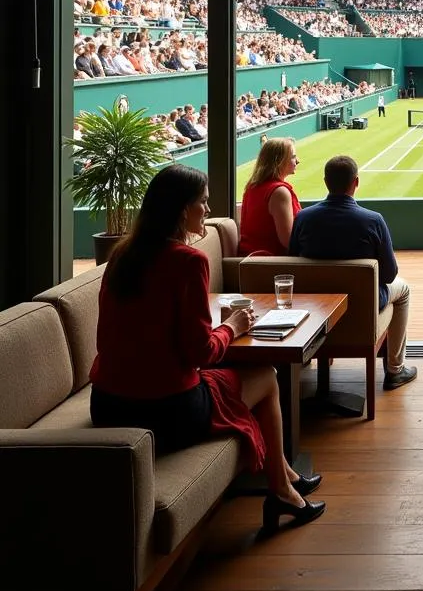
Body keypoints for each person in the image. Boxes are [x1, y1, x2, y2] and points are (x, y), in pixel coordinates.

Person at [90, 165, 325, 535]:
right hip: (164, 411)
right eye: (203, 202)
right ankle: (280, 489)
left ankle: (285, 473)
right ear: (183, 210)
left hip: (107, 405)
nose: (207, 208)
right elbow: (201, 353)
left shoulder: (121, 256)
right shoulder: (189, 261)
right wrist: (232, 327)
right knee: (266, 376)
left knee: (246, 376)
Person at [290, 155, 417, 389]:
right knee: (404, 289)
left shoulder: (303, 218)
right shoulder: (373, 220)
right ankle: (395, 370)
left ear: (326, 182)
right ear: (356, 182)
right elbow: (389, 275)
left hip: (316, 306)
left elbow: (294, 261)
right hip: (363, 303)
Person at [238, 138, 302, 256]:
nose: (297, 161)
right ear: (279, 161)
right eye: (293, 157)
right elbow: (289, 241)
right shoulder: (279, 192)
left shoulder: (252, 187)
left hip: (253, 260)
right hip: (270, 263)